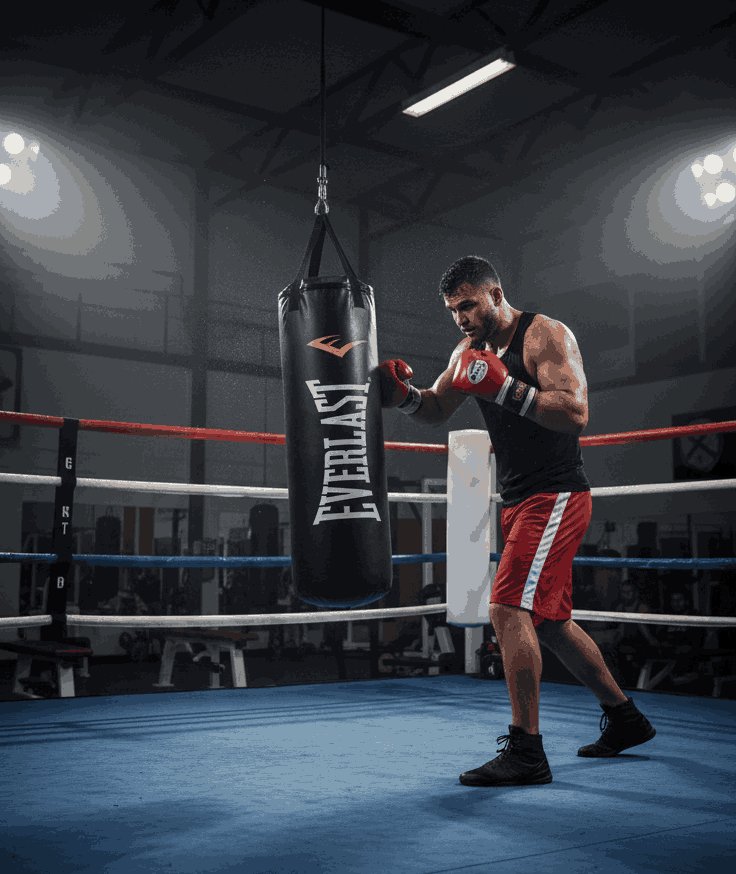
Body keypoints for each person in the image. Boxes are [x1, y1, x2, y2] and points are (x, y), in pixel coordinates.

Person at [378, 255, 656, 787]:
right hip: (519, 500)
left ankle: (527, 751)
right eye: (452, 310)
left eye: (467, 305)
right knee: (549, 622)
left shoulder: (544, 335)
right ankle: (626, 718)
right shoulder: (467, 351)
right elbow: (437, 407)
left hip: (556, 493)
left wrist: (507, 389)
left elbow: (575, 412)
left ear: (495, 294)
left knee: (507, 607)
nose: (460, 318)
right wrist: (404, 398)